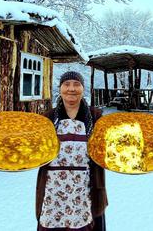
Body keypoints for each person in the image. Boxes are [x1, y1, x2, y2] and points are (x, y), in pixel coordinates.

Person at [36, 71, 108, 231]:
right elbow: (36, 151)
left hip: (86, 188)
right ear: (60, 88)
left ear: (83, 88)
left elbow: (108, 149)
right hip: (52, 191)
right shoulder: (47, 118)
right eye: (67, 84)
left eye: (76, 84)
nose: (71, 89)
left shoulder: (96, 117)